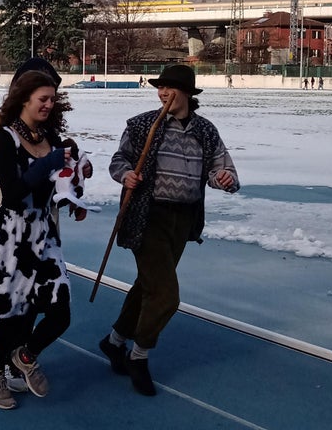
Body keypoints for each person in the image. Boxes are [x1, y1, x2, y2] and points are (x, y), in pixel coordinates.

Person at [99, 64, 239, 397]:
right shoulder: (142, 125)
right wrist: (126, 175)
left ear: (186, 93)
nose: (162, 93)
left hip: (184, 220)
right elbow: (119, 161)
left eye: (169, 88)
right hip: (147, 216)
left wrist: (224, 179)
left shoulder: (205, 131)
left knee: (148, 285)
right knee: (165, 296)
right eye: (159, 88)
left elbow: (222, 169)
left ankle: (114, 341)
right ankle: (139, 356)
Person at [0, 70, 86, 410]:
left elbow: (54, 184)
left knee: (59, 313)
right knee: (14, 315)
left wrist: (75, 185)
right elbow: (12, 192)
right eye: (43, 99)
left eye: (53, 99)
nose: (49, 105)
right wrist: (48, 162)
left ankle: (24, 356)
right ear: (24, 99)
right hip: (11, 237)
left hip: (43, 233)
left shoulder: (49, 136)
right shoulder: (5, 137)